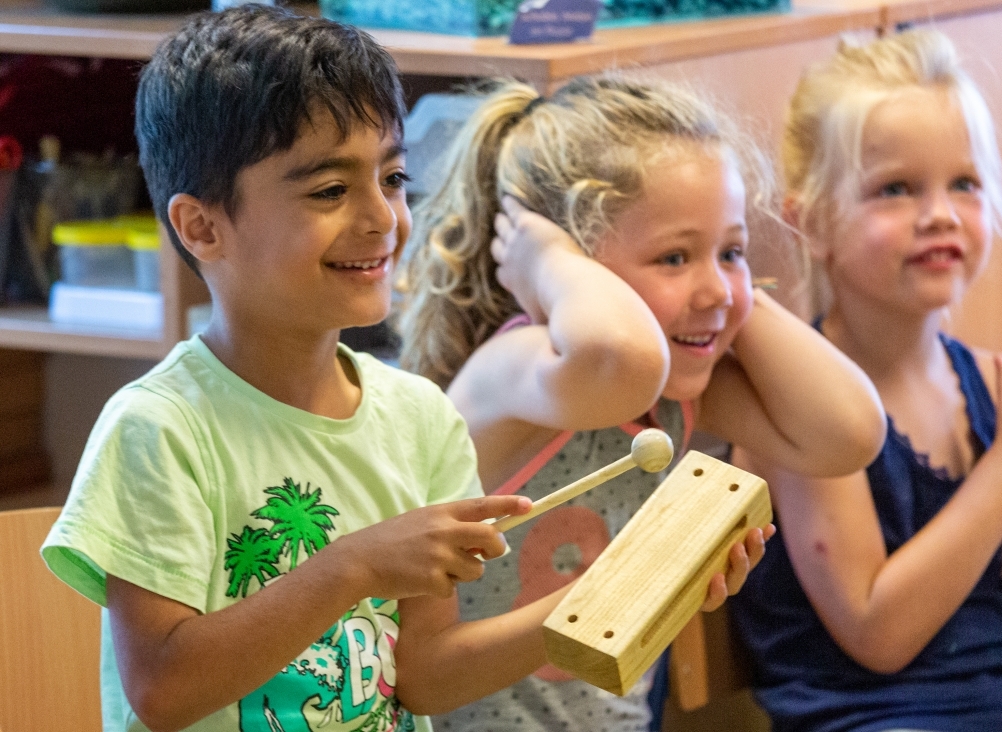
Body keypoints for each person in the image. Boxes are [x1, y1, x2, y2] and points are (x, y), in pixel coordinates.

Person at [36, 7, 598, 731]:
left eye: (393, 178)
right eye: (330, 191)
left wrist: (604, 598)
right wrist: (354, 567)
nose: (382, 217)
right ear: (201, 226)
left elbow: (423, 675)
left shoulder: (419, 417)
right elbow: (165, 690)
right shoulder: (159, 429)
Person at [398, 74, 888, 732]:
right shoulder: (515, 367)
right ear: (570, 256)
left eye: (732, 250)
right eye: (674, 256)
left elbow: (851, 432)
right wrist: (545, 258)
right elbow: (621, 356)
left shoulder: (674, 398)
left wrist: (733, 292)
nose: (713, 286)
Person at [728, 29, 1002, 732]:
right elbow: (878, 635)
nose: (941, 214)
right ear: (813, 224)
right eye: (896, 189)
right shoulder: (801, 411)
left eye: (964, 184)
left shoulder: (999, 387)